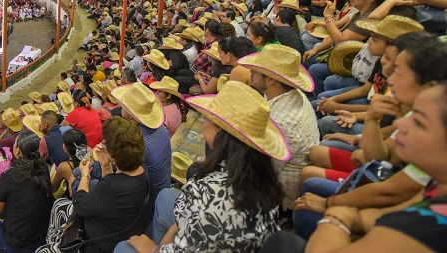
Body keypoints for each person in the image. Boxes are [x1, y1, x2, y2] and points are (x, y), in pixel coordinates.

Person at [121, 82, 287, 253]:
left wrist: (154, 250)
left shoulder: (206, 190)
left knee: (122, 247)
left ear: (221, 133)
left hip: (204, 240)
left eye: (209, 116)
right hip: (222, 237)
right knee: (165, 197)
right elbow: (183, 221)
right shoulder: (264, 175)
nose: (203, 119)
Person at [304, 83, 447, 252]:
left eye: (419, 122)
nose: (400, 123)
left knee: (293, 229)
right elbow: (388, 212)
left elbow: (386, 186)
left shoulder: (430, 227)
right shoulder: (436, 185)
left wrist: (335, 216)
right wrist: (350, 216)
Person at [48, 117, 151, 253]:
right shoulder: (142, 169)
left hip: (99, 243)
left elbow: (79, 204)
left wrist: (85, 175)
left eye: (105, 143)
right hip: (120, 224)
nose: (101, 144)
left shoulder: (113, 187)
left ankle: (53, 244)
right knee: (60, 205)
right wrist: (105, 165)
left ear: (114, 155)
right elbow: (108, 191)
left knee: (59, 206)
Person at [240, 44, 320, 209]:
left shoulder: (282, 122)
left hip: (278, 193)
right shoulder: (292, 95)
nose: (251, 72)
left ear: (271, 79)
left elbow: (266, 169)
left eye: (256, 70)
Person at [0, 131, 54, 253]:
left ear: (18, 150)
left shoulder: (9, 175)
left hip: (19, 243)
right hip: (44, 233)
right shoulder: (43, 167)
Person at [112, 82, 172, 201]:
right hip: (164, 184)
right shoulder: (161, 129)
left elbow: (119, 171)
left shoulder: (136, 142)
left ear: (130, 116)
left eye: (123, 106)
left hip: (151, 197)